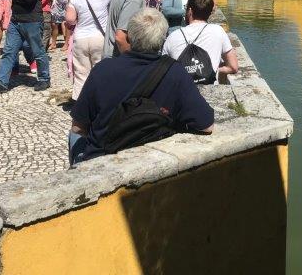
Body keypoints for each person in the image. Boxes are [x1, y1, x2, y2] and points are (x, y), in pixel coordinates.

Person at [69, 8, 214, 164]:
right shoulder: (175, 72)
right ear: (162, 39)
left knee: (74, 136)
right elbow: (207, 126)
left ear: (129, 37)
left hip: (103, 159)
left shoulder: (102, 70)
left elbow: (79, 127)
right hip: (153, 161)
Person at [162, 0, 238, 85]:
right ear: (210, 12)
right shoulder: (218, 31)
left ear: (189, 11)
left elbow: (164, 72)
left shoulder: (172, 37)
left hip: (181, 94)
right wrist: (216, 69)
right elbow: (233, 67)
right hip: (210, 91)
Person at [65, 0, 111, 99]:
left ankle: (80, 100)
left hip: (81, 38)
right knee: (100, 71)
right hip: (99, 38)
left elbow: (70, 20)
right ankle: (100, 98)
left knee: (81, 72)